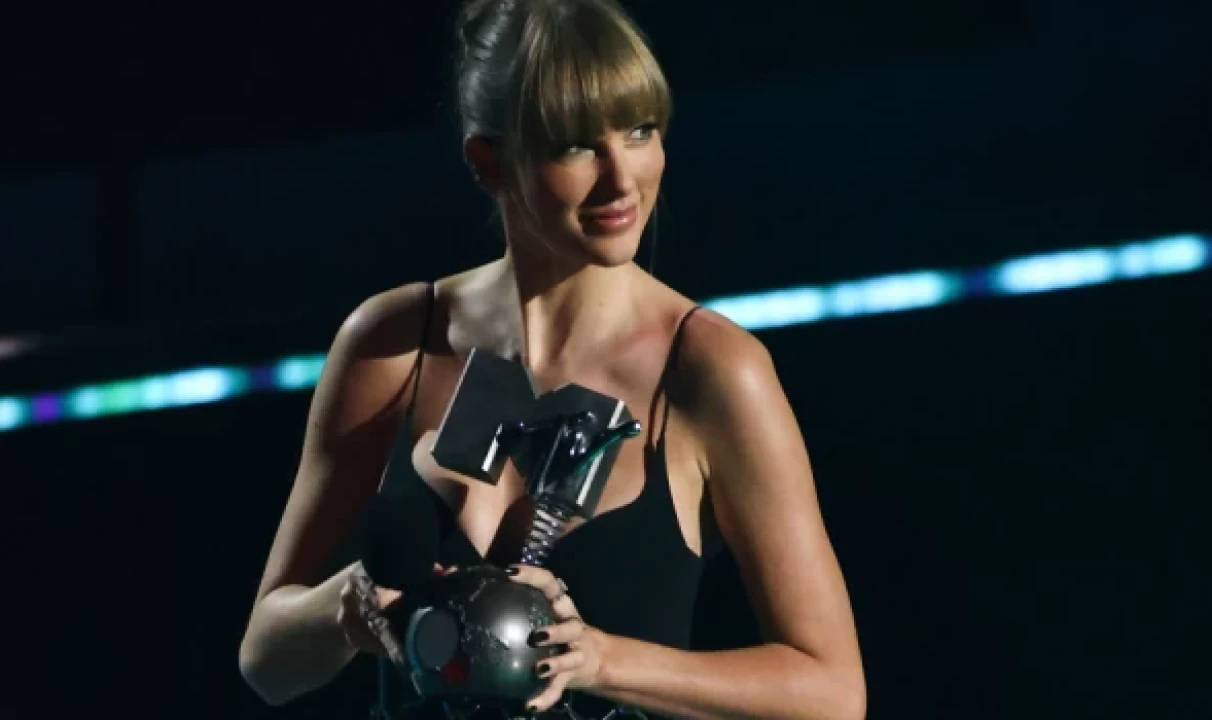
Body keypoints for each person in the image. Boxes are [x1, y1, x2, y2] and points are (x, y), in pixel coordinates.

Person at [238, 0, 866, 717]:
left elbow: (831, 694)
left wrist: (602, 660)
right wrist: (344, 608)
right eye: (575, 146)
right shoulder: (393, 344)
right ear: (489, 161)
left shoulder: (713, 371)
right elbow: (266, 663)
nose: (622, 179)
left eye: (640, 131)